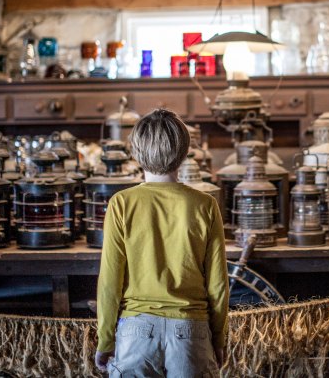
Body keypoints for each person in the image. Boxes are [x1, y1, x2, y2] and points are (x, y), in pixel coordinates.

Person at [95, 108, 229, 377]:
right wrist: (219, 339)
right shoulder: (205, 205)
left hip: (136, 331)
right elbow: (218, 283)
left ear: (136, 152)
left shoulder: (121, 204)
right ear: (184, 151)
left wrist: (105, 340)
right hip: (192, 329)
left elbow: (110, 281)